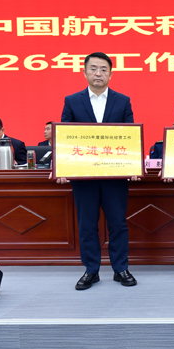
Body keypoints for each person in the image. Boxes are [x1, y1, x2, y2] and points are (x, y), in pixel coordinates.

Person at [60, 52, 137, 291]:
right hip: (84, 175)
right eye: (93, 68)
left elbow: (130, 136)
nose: (98, 73)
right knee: (87, 225)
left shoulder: (122, 101)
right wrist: (62, 167)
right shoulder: (72, 101)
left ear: (110, 74)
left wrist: (134, 165)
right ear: (84, 72)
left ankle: (120, 268)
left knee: (118, 224)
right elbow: (65, 137)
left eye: (103, 69)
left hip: (115, 175)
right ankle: (91, 270)